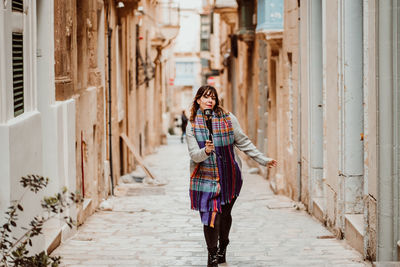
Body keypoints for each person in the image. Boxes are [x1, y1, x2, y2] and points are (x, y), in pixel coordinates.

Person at [185, 85, 277, 267]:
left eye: (213, 97)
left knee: (225, 214)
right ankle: (212, 256)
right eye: (205, 97)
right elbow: (194, 154)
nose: (210, 100)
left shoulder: (228, 119)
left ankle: (223, 247)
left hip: (230, 176)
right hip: (205, 178)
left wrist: (263, 159)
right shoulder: (192, 124)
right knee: (212, 216)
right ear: (198, 100)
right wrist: (206, 151)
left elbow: (243, 142)